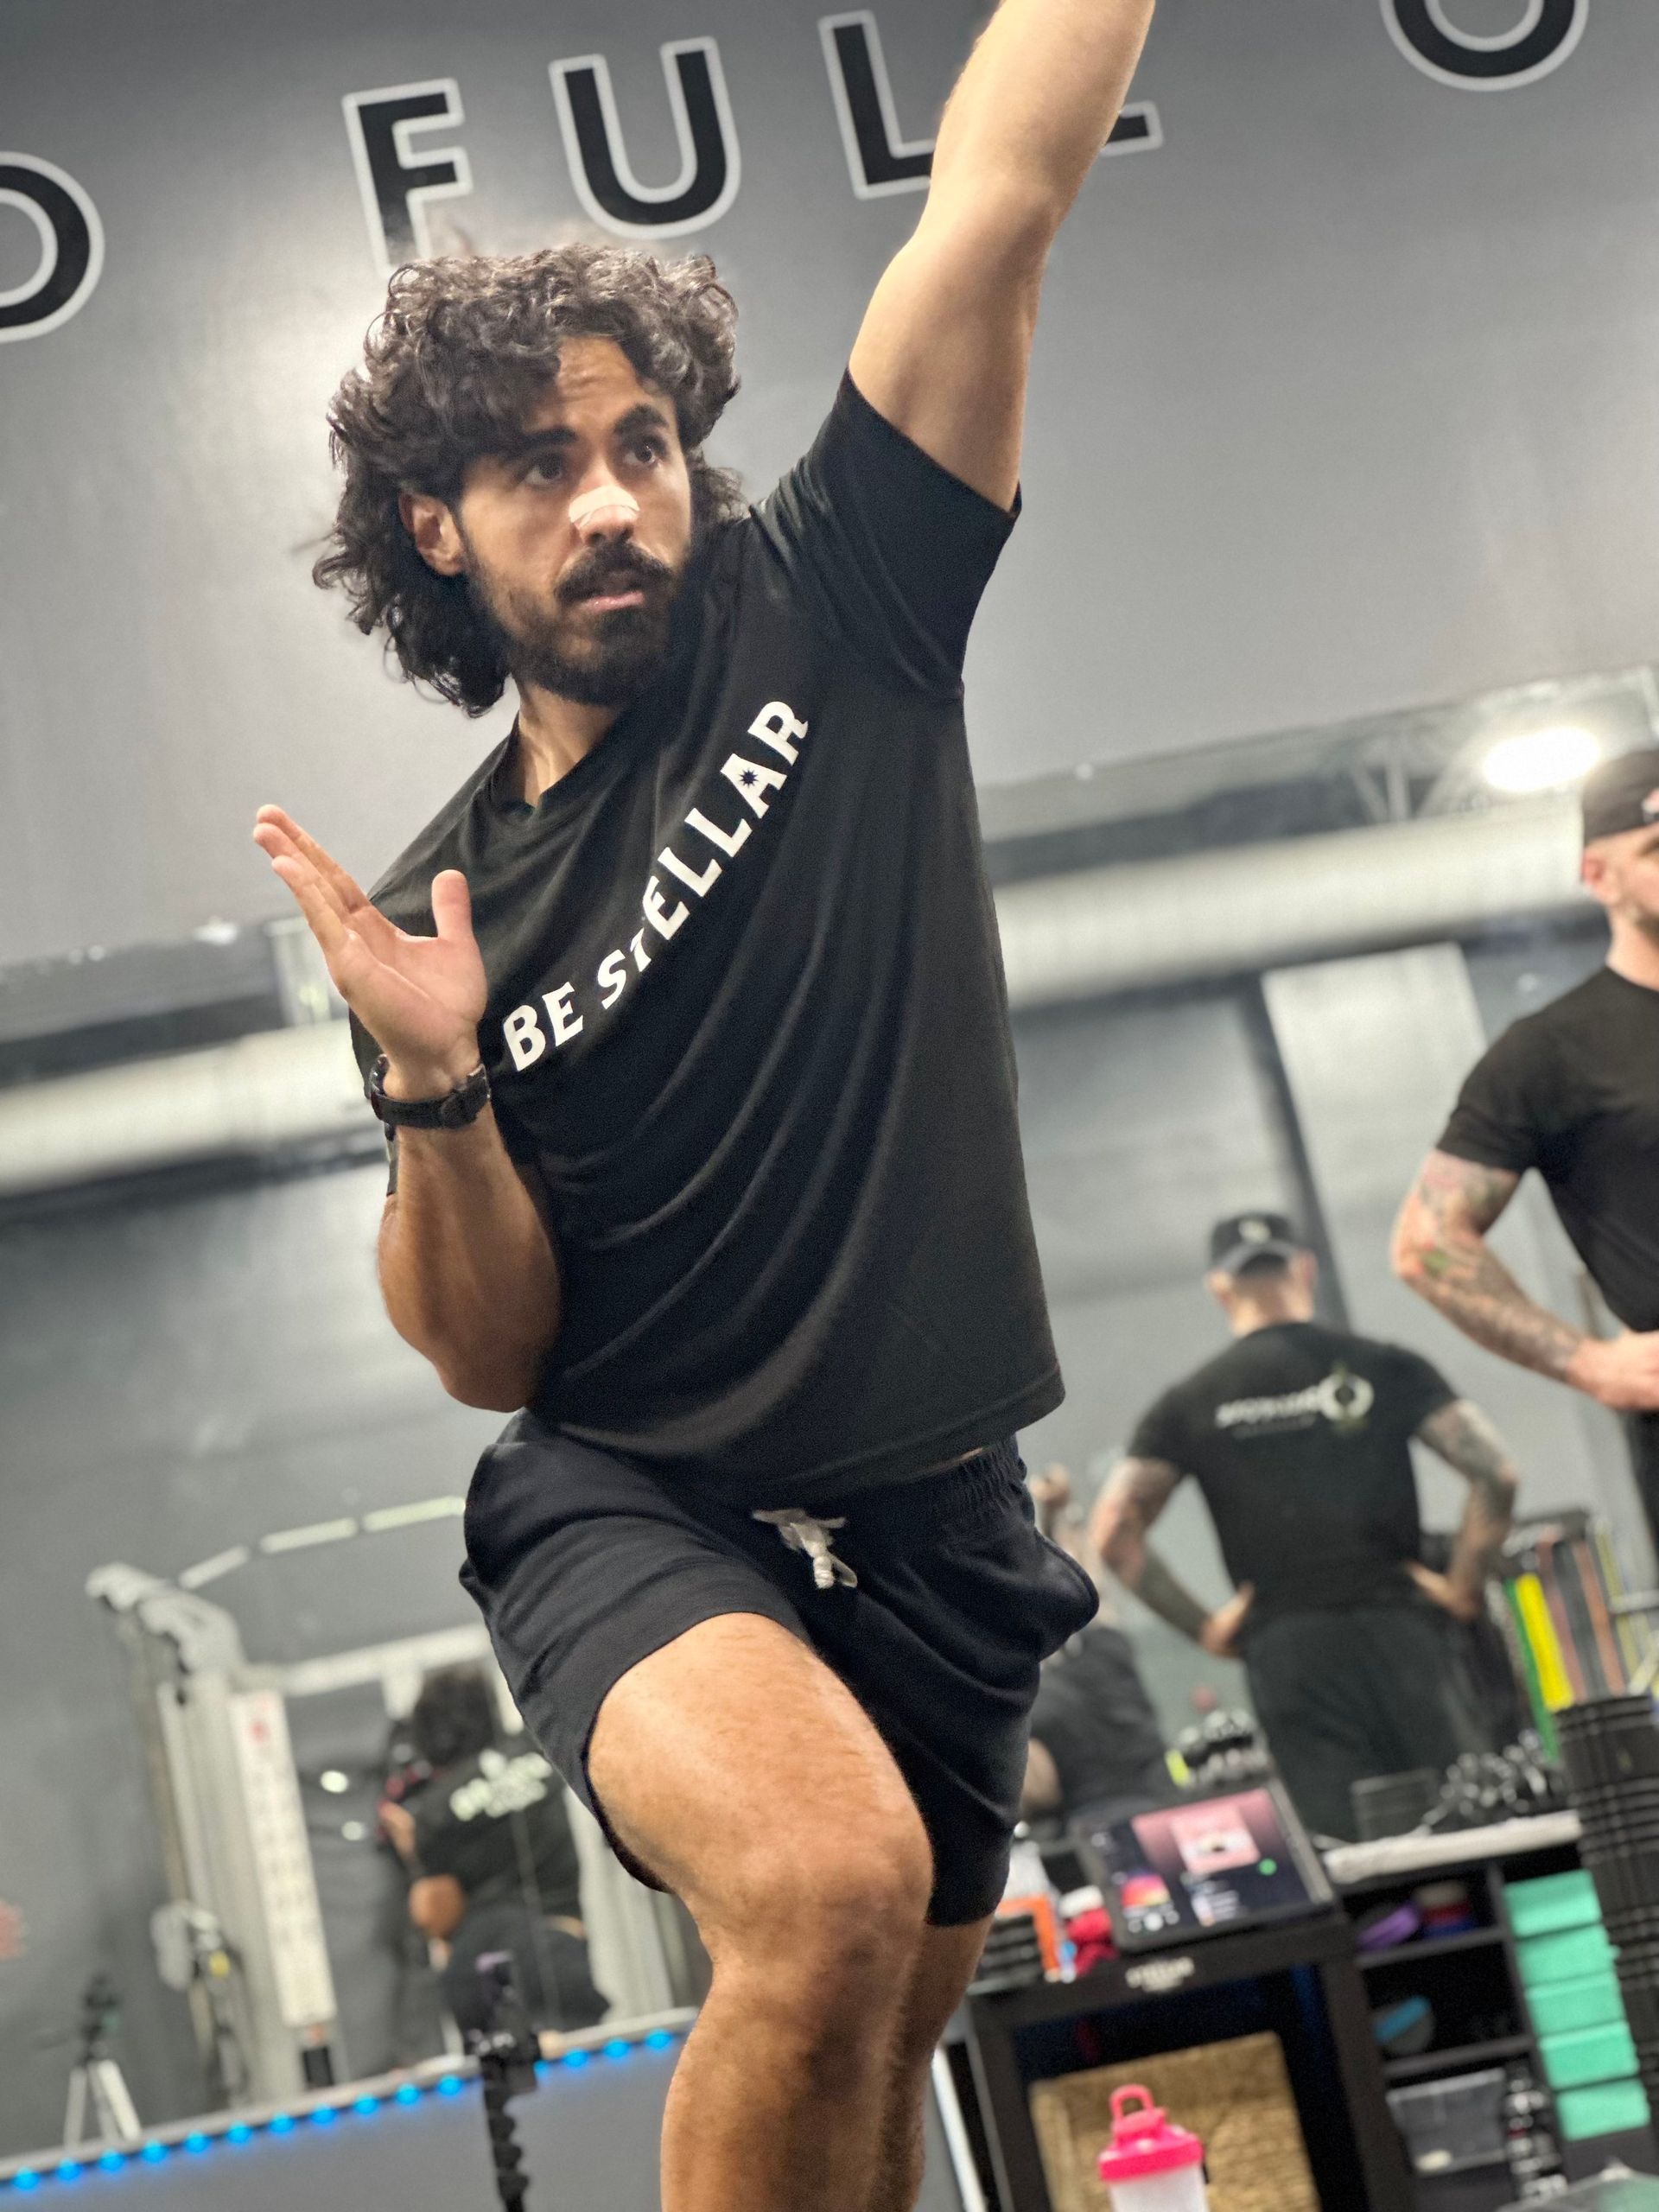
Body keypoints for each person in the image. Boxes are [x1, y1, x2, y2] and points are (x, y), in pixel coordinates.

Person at [251, 3, 1153, 2201]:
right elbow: (485, 1351)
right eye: (544, 468)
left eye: (643, 443)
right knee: (829, 1889)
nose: (613, 497)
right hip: (640, 1497)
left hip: (940, 1515)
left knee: (873, 2060)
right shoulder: (442, 906)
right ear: (434, 529)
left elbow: (1002, 196)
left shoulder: (840, 596)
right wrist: (435, 1079)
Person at [1089, 1215, 1520, 1843]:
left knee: (1347, 1854)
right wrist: (1461, 1586)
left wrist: (1206, 1629)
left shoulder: (1192, 1400)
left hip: (1290, 1652)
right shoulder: (1385, 1365)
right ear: (1305, 1268)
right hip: (1403, 1633)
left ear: (1220, 1287)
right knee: (1471, 1831)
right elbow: (1496, 1473)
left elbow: (1114, 1532)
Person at [1394, 747, 1659, 1542]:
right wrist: (1591, 1363)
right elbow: (1426, 1244)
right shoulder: (1552, 1052)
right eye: (1655, 848)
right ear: (1598, 876)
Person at [378, 1665, 607, 2038]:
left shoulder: (435, 1811)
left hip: (482, 1966)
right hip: (560, 1947)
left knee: (513, 2085)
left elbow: (438, 1918)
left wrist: (413, 1854)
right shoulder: (538, 1751)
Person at [1022, 1468, 1174, 1833]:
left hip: (1098, 1835)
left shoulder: (1021, 1691)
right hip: (1166, 1816)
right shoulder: (1103, 1644)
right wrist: (1062, 1512)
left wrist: (1059, 1514)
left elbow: (1037, 1794)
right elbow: (1086, 1580)